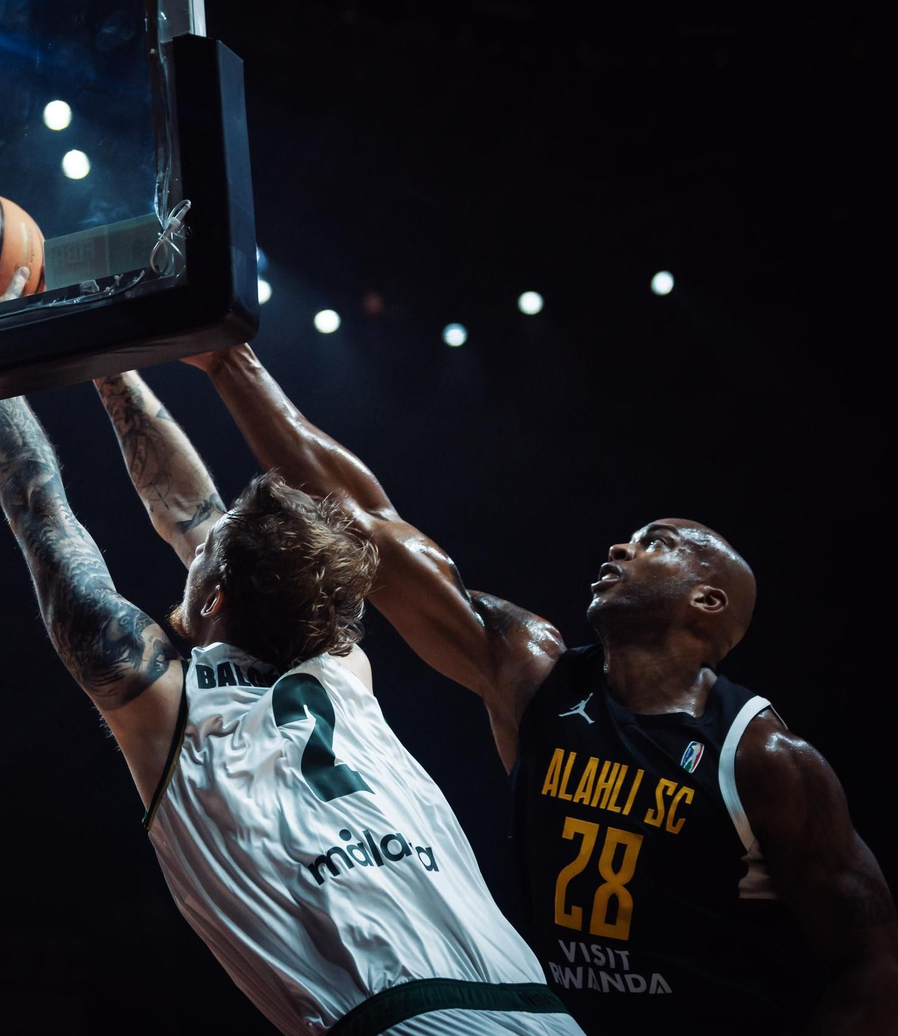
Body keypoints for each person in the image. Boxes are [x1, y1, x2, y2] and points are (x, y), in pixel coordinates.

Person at [0, 223, 584, 1035]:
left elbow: (42, 513)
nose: (197, 527)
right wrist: (105, 365)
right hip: (545, 1013)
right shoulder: (340, 665)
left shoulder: (173, 714)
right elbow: (173, 517)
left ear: (217, 595)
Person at [179, 342, 898, 1034]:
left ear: (707, 602)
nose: (623, 546)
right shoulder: (534, 672)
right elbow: (368, 521)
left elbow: (873, 967)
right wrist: (228, 362)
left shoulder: (764, 757)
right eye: (630, 536)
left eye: (659, 543)